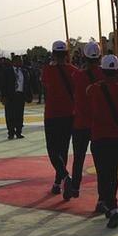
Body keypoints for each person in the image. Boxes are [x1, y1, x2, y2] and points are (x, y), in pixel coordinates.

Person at [86, 54, 118, 229]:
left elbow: (87, 92)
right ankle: (109, 203)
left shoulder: (94, 89)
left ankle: (111, 206)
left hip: (98, 136)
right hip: (116, 137)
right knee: (112, 172)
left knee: (103, 173)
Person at [41, 41, 78, 196]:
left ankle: (63, 176)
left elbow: (45, 88)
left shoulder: (47, 71)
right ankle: (58, 183)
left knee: (52, 150)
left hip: (52, 114)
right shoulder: (74, 71)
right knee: (63, 149)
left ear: (54, 54)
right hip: (69, 114)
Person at [69, 42, 102, 200]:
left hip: (81, 123)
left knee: (78, 158)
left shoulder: (78, 76)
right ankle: (102, 196)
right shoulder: (105, 74)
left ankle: (75, 186)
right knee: (101, 163)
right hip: (99, 124)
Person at [1, 54, 30, 140]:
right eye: (19, 60)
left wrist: (28, 95)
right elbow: (3, 84)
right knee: (10, 115)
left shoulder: (24, 71)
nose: (21, 62)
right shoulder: (7, 71)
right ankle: (11, 132)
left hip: (20, 95)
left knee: (19, 114)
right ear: (14, 62)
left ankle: (19, 132)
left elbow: (27, 84)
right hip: (10, 96)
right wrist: (3, 96)